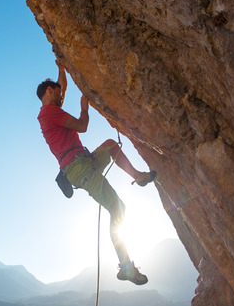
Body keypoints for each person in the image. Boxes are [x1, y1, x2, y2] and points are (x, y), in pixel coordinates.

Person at [37, 60, 155, 285]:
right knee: (117, 207)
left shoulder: (51, 110)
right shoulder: (49, 114)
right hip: (79, 168)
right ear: (50, 91)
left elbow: (61, 87)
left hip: (83, 161)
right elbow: (82, 126)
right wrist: (84, 109)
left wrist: (61, 70)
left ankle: (138, 176)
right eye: (59, 94)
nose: (62, 98)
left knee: (111, 144)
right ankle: (126, 267)